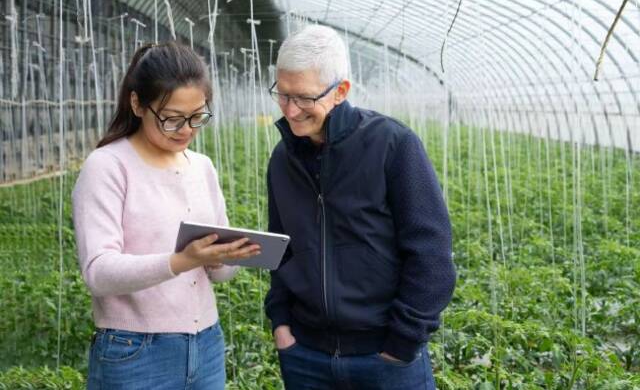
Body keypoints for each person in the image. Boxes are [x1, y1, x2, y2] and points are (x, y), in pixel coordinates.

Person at [264, 25, 456, 389]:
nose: (290, 110)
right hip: (306, 356)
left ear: (340, 91)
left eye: (304, 98)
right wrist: (282, 325)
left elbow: (431, 254)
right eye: (282, 94)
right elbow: (280, 247)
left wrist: (401, 344)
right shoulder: (282, 159)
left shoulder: (393, 145)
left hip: (384, 358)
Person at [72, 42, 260, 390]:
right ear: (137, 104)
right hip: (135, 351)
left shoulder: (202, 167)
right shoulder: (108, 167)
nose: (187, 130)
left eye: (197, 116)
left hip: (206, 345)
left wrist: (228, 256)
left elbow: (217, 276)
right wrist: (179, 261)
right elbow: (97, 271)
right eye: (172, 118)